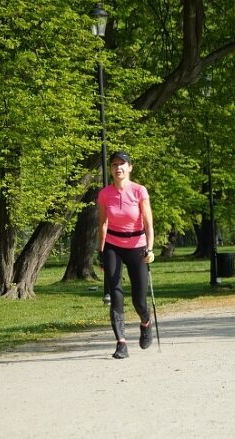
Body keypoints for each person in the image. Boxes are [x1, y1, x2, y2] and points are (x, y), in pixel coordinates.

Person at [97, 151, 155, 359]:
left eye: (122, 164)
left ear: (130, 167)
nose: (118, 168)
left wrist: (150, 248)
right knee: (115, 293)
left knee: (139, 300)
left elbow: (148, 223)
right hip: (113, 245)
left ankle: (145, 322)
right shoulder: (105, 194)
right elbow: (103, 223)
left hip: (137, 245)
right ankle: (121, 343)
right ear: (110, 169)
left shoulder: (140, 191)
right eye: (114, 164)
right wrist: (101, 251)